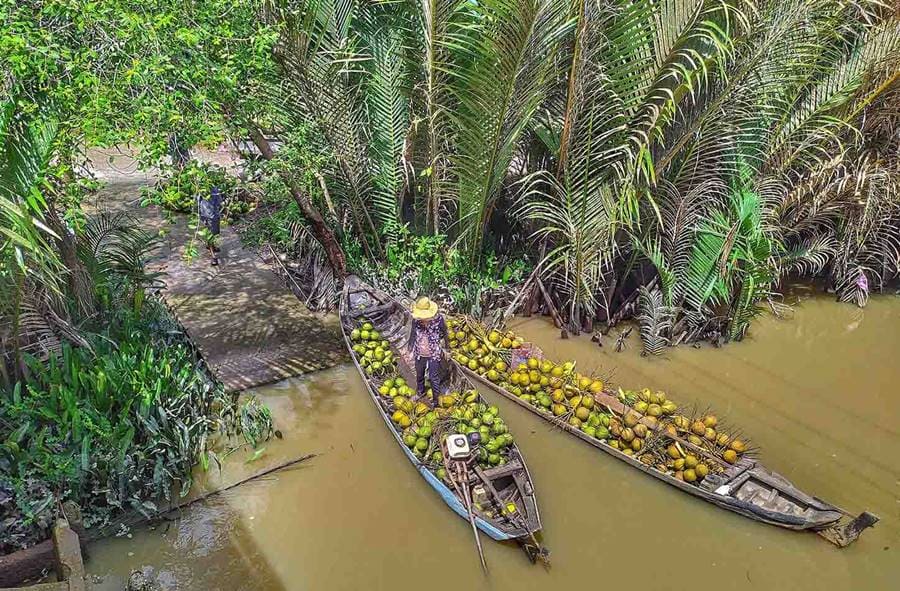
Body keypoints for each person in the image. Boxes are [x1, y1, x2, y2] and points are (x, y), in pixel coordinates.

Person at [408, 296, 450, 407]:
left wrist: (447, 349)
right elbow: (412, 334)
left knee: (433, 377)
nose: (422, 318)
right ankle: (420, 392)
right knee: (419, 373)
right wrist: (409, 349)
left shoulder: (439, 320)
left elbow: (445, 333)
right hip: (419, 352)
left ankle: (436, 402)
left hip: (434, 353)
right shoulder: (416, 321)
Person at [198, 186, 222, 266]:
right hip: (208, 215)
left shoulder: (214, 188)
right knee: (210, 234)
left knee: (215, 232)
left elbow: (219, 200)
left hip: (214, 215)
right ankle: (213, 257)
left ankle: (212, 246)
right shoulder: (202, 188)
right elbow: (198, 201)